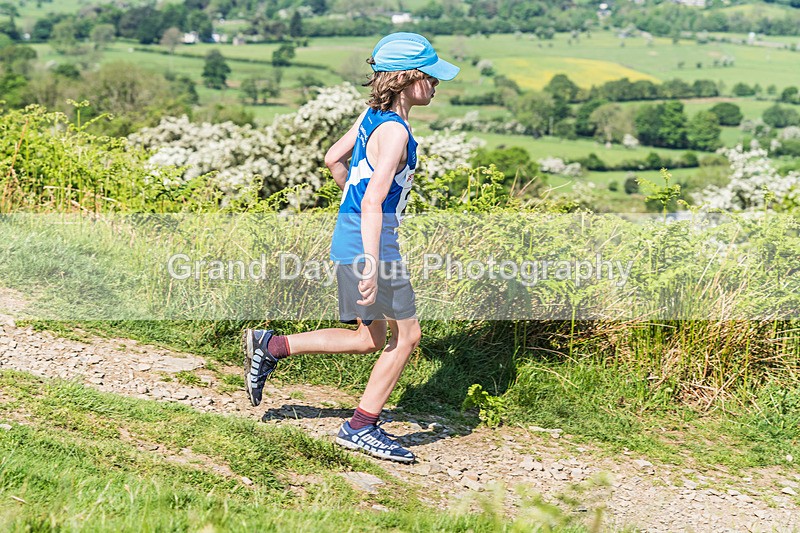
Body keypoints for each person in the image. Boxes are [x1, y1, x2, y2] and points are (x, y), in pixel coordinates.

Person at [242, 32, 459, 463]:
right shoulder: (396, 132)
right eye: (432, 77)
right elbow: (376, 199)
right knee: (407, 336)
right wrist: (372, 263)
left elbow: (332, 159)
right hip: (371, 245)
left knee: (368, 339)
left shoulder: (371, 116)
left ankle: (272, 346)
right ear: (408, 79)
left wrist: (352, 209)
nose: (437, 85)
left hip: (351, 238)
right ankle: (360, 426)